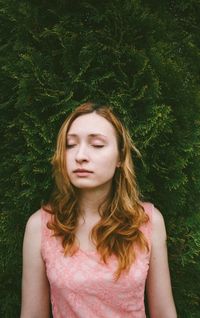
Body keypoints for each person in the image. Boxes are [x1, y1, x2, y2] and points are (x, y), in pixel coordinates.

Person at [20, 102, 177, 318]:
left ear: (120, 157)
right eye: (70, 144)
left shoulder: (148, 221)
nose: (80, 155)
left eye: (97, 144)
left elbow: (164, 313)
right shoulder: (41, 226)